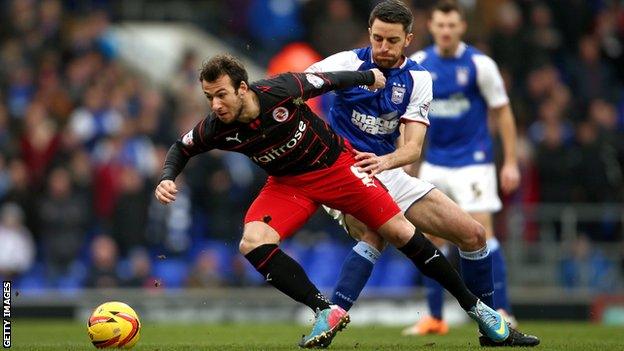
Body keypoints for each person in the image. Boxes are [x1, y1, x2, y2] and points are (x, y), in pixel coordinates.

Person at [156, 53, 516, 348]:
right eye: (209, 97)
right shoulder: (216, 127)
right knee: (252, 242)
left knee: (401, 233)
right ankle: (323, 309)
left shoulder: (281, 89)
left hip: (338, 168)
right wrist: (168, 177)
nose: (215, 104)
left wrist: (367, 79)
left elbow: (329, 80)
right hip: (288, 185)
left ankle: (477, 309)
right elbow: (180, 147)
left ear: (243, 88)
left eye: (221, 94)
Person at [305, 0, 538, 347]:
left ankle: (492, 329)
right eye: (378, 38)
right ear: (369, 33)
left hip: (390, 168)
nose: (383, 47)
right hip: (344, 173)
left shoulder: (418, 78)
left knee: (474, 235)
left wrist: (387, 162)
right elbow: (298, 88)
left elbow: (413, 148)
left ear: (409, 39)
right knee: (373, 234)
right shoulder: (343, 63)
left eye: (392, 41)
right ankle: (331, 314)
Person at [407, 0, 522, 334]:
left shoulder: (480, 64)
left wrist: (511, 162)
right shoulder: (418, 64)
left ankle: (501, 310)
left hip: (473, 162)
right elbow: (407, 116)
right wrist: (409, 160)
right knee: (429, 237)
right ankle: (435, 317)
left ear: (461, 27)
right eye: (440, 25)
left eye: (451, 25)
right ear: (431, 27)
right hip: (434, 162)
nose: (445, 31)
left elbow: (502, 111)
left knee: (482, 230)